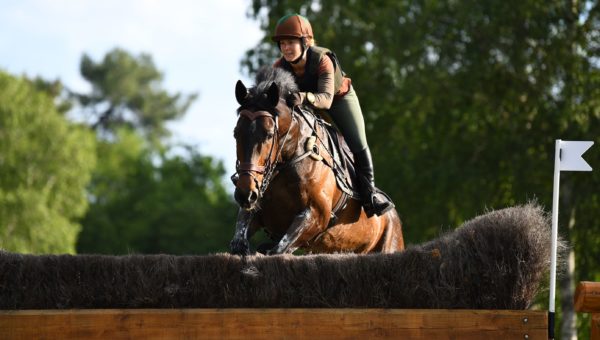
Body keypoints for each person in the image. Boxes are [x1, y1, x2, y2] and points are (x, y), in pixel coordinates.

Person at [271, 13, 395, 217]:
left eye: (291, 42)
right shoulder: (279, 67)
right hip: (307, 105)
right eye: (282, 43)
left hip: (338, 100)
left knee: (357, 141)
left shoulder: (322, 59)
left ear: (305, 42)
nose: (285, 48)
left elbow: (326, 99)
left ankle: (370, 194)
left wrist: (303, 96)